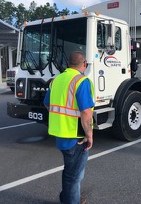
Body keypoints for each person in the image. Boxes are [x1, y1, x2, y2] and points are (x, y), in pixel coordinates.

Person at [43, 51, 94, 204]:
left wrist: (60, 118)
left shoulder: (56, 80)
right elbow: (86, 111)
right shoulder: (81, 81)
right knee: (73, 176)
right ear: (84, 64)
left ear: (68, 64)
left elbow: (47, 103)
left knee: (71, 172)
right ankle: (70, 200)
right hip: (75, 135)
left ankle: (69, 197)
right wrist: (89, 135)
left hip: (60, 134)